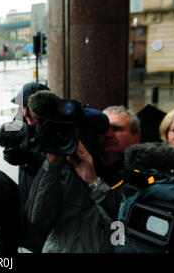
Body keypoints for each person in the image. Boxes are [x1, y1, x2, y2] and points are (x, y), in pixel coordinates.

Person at [26, 100, 141, 252]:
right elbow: (38, 216)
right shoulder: (70, 165)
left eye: (117, 129)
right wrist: (52, 165)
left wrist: (93, 182)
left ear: (136, 138)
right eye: (104, 129)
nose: (108, 134)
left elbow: (124, 221)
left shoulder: (140, 175)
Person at [0, 82, 48, 252]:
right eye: (22, 107)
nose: (25, 112)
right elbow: (7, 137)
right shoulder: (21, 121)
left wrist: (31, 158)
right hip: (26, 202)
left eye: (28, 106)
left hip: (48, 211)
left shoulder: (54, 131)